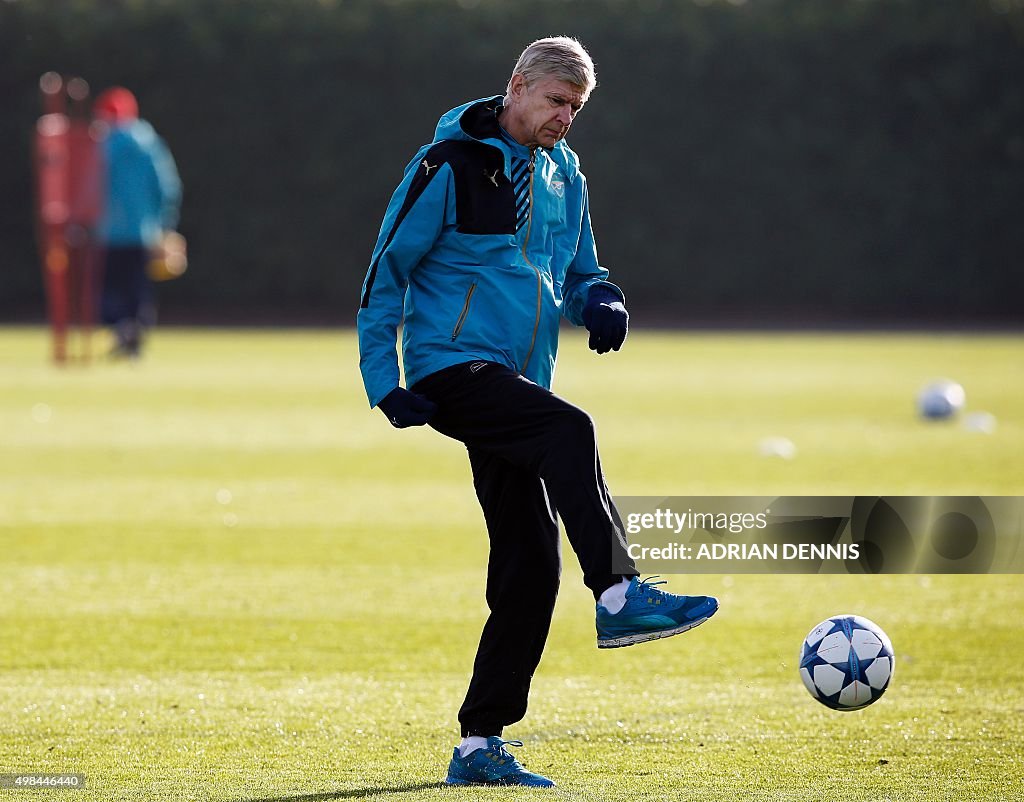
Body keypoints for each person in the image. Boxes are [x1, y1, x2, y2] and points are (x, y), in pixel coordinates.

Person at [357, 37, 719, 788]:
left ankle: (476, 746)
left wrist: (602, 301)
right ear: (517, 86)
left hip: (522, 378)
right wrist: (383, 381)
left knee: (530, 568)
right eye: (555, 102)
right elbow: (384, 270)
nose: (565, 120)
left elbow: (582, 267)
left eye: (576, 109)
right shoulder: (447, 166)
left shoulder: (563, 172)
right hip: (452, 367)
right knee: (570, 429)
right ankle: (620, 592)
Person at [93, 87, 182, 358]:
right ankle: (133, 340)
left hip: (106, 231)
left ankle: (122, 331)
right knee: (137, 290)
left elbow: (87, 188)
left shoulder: (100, 147)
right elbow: (167, 187)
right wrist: (165, 224)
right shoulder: (151, 145)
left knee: (107, 289)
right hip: (143, 231)